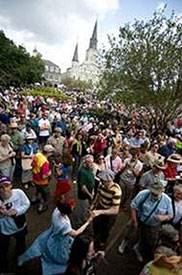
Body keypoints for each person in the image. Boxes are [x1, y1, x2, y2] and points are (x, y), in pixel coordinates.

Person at [18, 199, 94, 275]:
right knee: (62, 260)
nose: (73, 207)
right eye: (72, 207)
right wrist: (89, 221)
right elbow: (76, 233)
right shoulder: (64, 225)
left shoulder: (57, 210)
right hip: (60, 242)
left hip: (51, 234)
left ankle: (22, 259)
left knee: (38, 246)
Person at [130, 180, 173, 263]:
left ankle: (140, 249)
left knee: (149, 241)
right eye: (152, 192)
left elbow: (170, 215)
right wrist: (134, 220)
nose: (154, 195)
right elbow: (133, 206)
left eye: (156, 194)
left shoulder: (167, 200)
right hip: (139, 220)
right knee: (132, 233)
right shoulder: (143, 194)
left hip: (153, 226)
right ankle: (127, 244)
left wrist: (163, 217)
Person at [0, 176, 30, 273]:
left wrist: (17, 211)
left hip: (20, 226)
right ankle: (4, 267)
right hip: (4, 230)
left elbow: (26, 204)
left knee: (21, 244)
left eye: (7, 186)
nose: (5, 189)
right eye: (1, 187)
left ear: (11, 185)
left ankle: (20, 258)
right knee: (3, 249)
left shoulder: (19, 193)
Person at [91, 169, 122, 249]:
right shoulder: (102, 185)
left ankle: (102, 242)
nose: (101, 182)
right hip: (100, 208)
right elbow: (98, 195)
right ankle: (95, 238)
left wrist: (100, 212)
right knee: (96, 225)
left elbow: (115, 210)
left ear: (109, 180)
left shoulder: (116, 190)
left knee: (105, 230)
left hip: (108, 214)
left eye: (103, 180)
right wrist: (93, 204)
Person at [31, 144, 54, 213]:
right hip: (42, 182)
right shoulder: (45, 162)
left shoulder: (37, 155)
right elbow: (44, 176)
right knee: (45, 195)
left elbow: (32, 165)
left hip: (34, 177)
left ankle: (34, 199)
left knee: (38, 189)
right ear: (48, 153)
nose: (52, 154)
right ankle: (41, 207)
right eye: (51, 152)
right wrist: (49, 173)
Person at [77, 155, 95, 225]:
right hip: (84, 195)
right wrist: (90, 195)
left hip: (89, 192)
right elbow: (83, 187)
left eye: (92, 162)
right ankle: (80, 222)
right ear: (85, 162)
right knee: (83, 209)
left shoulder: (90, 168)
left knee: (86, 207)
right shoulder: (82, 172)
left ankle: (84, 218)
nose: (92, 164)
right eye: (90, 162)